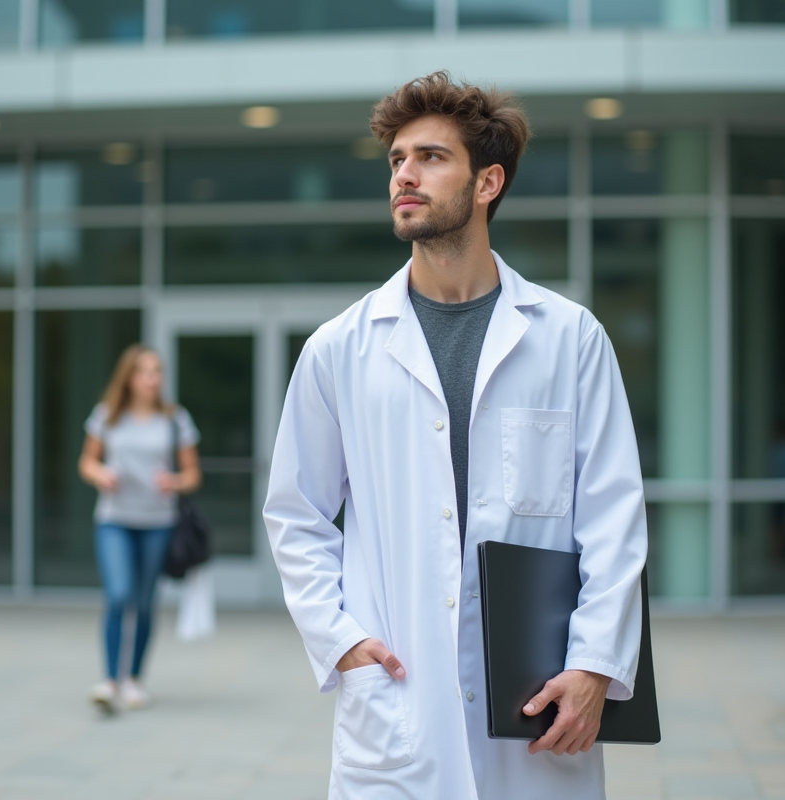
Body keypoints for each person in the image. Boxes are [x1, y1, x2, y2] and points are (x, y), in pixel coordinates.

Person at [264, 72, 648, 799]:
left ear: (487, 182)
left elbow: (612, 515)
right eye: (396, 160)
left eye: (431, 157)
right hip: (396, 709)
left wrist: (595, 664)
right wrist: (340, 640)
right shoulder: (339, 349)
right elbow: (295, 512)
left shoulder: (569, 339)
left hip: (538, 713)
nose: (404, 175)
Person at [78, 344, 201, 713]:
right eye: (145, 372)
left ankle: (133, 679)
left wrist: (174, 482)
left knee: (144, 604)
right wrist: (100, 474)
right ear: (129, 378)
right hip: (114, 519)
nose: (152, 379)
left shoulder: (175, 419)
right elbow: (86, 461)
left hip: (157, 522)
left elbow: (192, 474)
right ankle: (109, 681)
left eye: (157, 371)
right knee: (118, 595)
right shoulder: (107, 416)